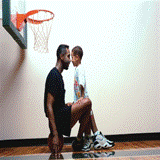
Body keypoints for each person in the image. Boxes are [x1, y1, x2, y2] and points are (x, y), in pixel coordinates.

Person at [44, 44, 92, 153]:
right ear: (61, 56)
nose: (70, 60)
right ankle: (80, 139)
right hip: (59, 120)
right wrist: (55, 135)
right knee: (87, 102)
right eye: (68, 56)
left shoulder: (58, 76)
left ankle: (81, 139)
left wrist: (66, 105)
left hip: (61, 115)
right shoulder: (53, 75)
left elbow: (55, 104)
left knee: (86, 107)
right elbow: (49, 106)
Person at [71, 46, 115, 151]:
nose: (71, 60)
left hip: (83, 99)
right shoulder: (77, 69)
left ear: (77, 57)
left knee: (86, 118)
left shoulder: (80, 68)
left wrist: (81, 97)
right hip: (80, 99)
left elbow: (82, 83)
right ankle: (94, 137)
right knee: (86, 118)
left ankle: (89, 139)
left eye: (72, 57)